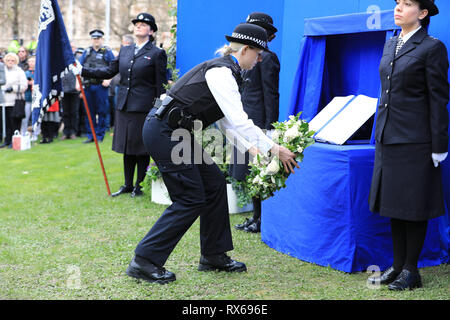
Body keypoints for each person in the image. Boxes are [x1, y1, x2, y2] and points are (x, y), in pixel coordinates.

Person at [121, 23, 299, 284]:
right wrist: (273, 148)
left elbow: (226, 123)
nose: (260, 59)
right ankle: (144, 261)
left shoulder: (230, 72)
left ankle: (214, 255)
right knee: (190, 197)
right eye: (258, 53)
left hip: (176, 133)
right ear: (246, 49)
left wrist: (252, 148)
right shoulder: (222, 72)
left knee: (214, 183)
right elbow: (238, 120)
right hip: (164, 132)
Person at [368, 0, 449, 291]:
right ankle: (398, 265)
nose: (398, 8)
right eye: (397, 3)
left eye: (407, 4)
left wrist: (439, 144)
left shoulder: (432, 47)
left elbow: (438, 98)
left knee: (412, 205)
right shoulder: (392, 43)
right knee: (394, 204)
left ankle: (411, 271)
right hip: (388, 136)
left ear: (423, 13)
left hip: (416, 139)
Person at [72, 13, 167, 198]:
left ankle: (139, 185)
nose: (138, 26)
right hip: (124, 105)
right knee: (127, 146)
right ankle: (127, 185)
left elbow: (160, 84)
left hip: (144, 107)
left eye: (143, 24)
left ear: (152, 31)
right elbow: (109, 71)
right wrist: (83, 70)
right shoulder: (125, 50)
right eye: (137, 24)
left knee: (141, 147)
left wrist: (158, 108)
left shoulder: (156, 53)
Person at [232, 12, 280, 234]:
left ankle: (260, 218)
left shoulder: (267, 58)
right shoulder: (244, 56)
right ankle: (255, 216)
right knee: (249, 172)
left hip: (258, 121)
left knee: (257, 172)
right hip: (245, 118)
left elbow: (270, 94)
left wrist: (270, 126)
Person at [78, 29, 115, 143]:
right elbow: (79, 68)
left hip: (101, 86)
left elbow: (114, 67)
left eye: (98, 38)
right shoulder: (87, 52)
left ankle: (99, 136)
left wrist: (108, 79)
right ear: (91, 40)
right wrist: (78, 84)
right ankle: (91, 135)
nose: (96, 41)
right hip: (88, 86)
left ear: (101, 39)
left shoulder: (107, 51)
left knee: (102, 111)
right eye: (94, 38)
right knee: (89, 111)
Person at [0, 52, 27, 148]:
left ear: (16, 61)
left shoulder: (19, 71)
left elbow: (24, 86)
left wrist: (13, 88)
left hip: (15, 100)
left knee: (14, 122)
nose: (10, 62)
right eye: (8, 60)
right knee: (6, 122)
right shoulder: (2, 71)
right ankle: (7, 140)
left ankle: (14, 140)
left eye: (12, 60)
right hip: (4, 101)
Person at [21, 55, 35, 135]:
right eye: (30, 61)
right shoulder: (25, 73)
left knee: (35, 116)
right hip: (27, 97)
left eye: (33, 61)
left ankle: (35, 133)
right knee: (25, 117)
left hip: (36, 97)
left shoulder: (38, 72)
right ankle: (23, 132)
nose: (31, 63)